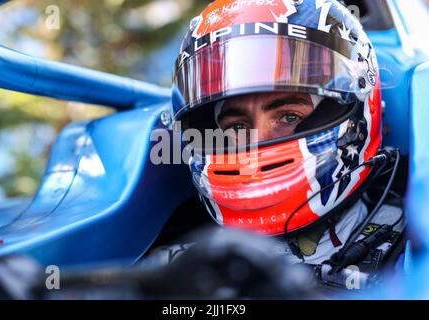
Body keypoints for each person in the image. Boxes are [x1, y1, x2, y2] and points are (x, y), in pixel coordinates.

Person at [146, 0, 406, 291]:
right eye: (238, 127)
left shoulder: (412, 248)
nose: (259, 140)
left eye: (289, 116)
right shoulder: (175, 271)